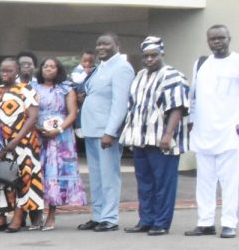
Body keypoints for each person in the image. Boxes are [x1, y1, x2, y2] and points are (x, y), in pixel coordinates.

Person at [119, 36, 190, 236]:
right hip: (140, 139)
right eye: (146, 56)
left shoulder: (173, 76)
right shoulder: (140, 76)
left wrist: (168, 134)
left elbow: (177, 107)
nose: (149, 59)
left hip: (162, 140)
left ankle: (161, 222)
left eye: (154, 55)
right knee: (145, 183)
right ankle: (146, 220)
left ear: (162, 54)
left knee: (164, 184)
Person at [77, 33, 135, 232]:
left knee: (109, 176)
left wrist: (110, 131)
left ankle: (109, 218)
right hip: (91, 130)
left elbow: (120, 103)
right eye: (98, 44)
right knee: (96, 177)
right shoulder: (100, 67)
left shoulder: (122, 68)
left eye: (106, 44)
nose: (100, 47)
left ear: (117, 45)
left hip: (106, 133)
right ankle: (97, 215)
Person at [187, 24, 239, 238]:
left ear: (229, 39)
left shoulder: (236, 62)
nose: (217, 42)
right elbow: (193, 96)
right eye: (212, 39)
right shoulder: (201, 64)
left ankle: (229, 223)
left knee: (230, 181)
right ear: (208, 41)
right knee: (205, 180)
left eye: (221, 38)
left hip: (230, 132)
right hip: (203, 132)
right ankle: (205, 222)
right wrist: (191, 121)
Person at [0, 57, 44, 232]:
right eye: (2, 70)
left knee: (24, 178)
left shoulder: (25, 89)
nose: (5, 73)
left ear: (17, 72)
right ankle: (1, 216)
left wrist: (15, 140)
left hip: (24, 142)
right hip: (1, 143)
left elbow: (33, 117)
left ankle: (18, 216)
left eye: (9, 70)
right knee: (0, 178)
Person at [35, 57, 86, 230]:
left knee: (54, 173)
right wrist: (37, 127)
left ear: (58, 70)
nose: (48, 69)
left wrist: (59, 129)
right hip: (39, 134)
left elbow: (72, 113)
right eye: (45, 66)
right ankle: (36, 214)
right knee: (37, 172)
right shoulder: (34, 88)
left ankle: (51, 214)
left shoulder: (66, 89)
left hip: (61, 138)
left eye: (52, 67)